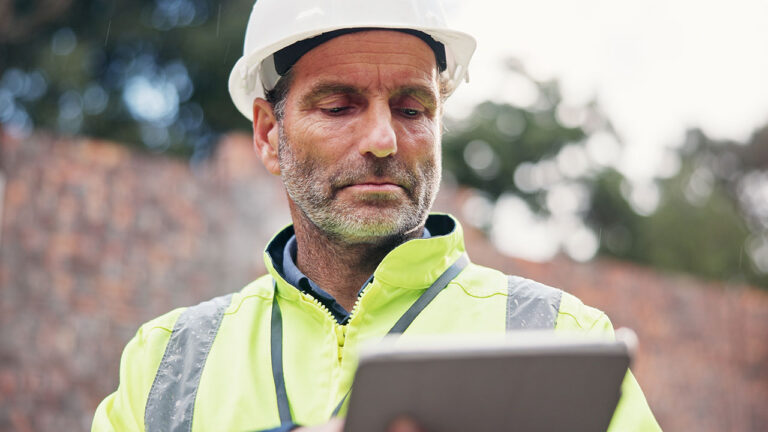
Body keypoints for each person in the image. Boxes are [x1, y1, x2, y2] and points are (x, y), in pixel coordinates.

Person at [93, 1, 661, 431]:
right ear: (269, 135)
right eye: (339, 106)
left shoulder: (562, 338)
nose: (384, 139)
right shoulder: (164, 366)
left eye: (412, 108)